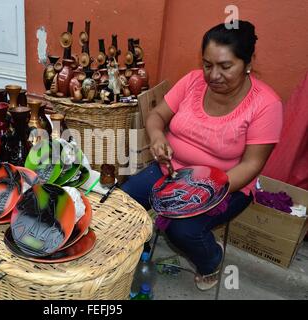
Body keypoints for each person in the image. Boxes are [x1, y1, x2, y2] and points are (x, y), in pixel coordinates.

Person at [121, 20, 283, 291]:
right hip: (171, 170)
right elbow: (157, 115)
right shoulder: (193, 81)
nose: (213, 75)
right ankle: (135, 252)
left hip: (227, 186)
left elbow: (252, 164)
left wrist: (201, 191)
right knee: (123, 202)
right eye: (208, 65)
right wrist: (158, 137)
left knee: (182, 230)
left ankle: (211, 261)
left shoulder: (266, 105)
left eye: (225, 66)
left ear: (248, 62)